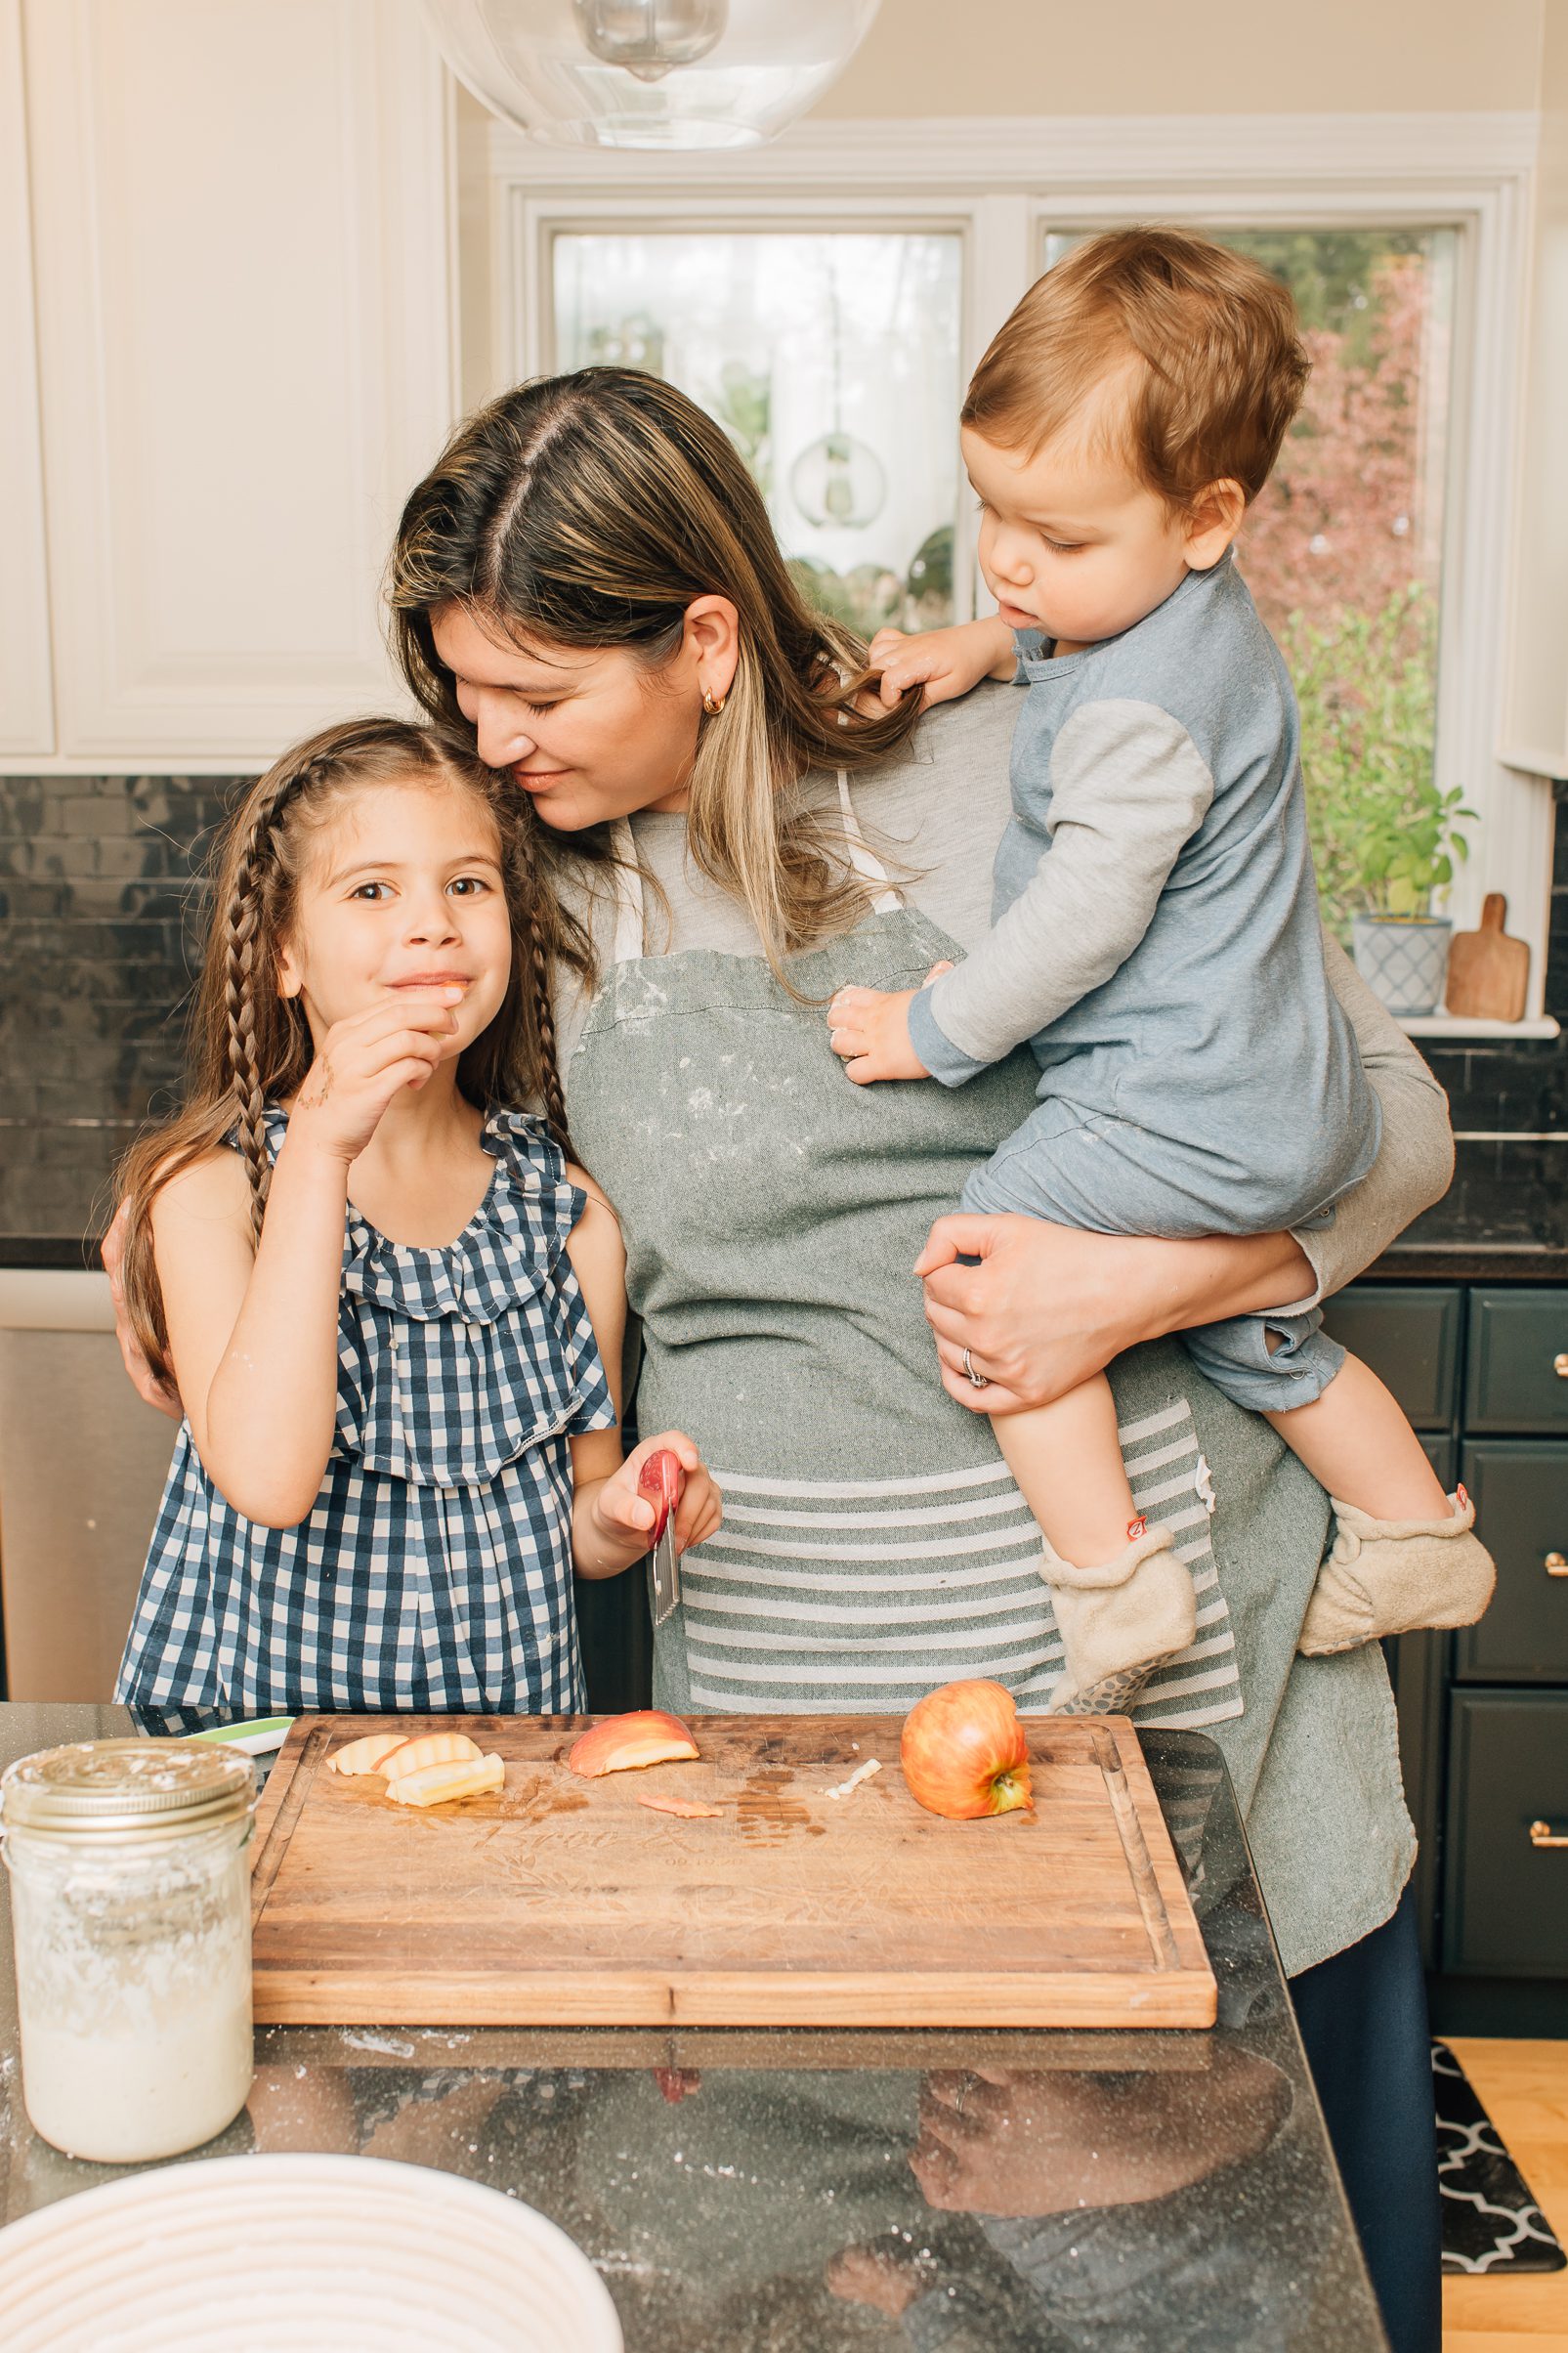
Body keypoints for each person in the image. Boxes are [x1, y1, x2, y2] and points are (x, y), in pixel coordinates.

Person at [107, 367, 1444, 2350]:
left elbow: (1391, 1126)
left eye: (540, 694)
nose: (492, 744)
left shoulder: (1020, 767)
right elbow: (365, 1074)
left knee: (1200, 2289)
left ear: (706, 640)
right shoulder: (532, 880)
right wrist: (182, 1209)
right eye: (464, 691)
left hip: (1148, 1698)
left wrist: (1135, 1291)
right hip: (781, 1770)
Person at [826, 228, 1492, 1714]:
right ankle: (1412, 1534)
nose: (1009, 560)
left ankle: (1112, 1581)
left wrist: (931, 1026)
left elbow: (1077, 926)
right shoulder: (1199, 622)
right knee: (1258, 1331)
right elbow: (1089, 635)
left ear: (1206, 517)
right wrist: (988, 643)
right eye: (991, 511)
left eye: (1055, 539)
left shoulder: (1138, 723)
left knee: (989, 1253)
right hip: (1293, 1102)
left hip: (1178, 1103)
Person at [111, 716, 719, 1715]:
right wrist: (317, 1148)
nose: (433, 921)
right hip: (273, 1773)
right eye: (372, 889)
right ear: (282, 956)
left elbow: (578, 1522)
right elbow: (269, 1477)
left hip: (502, 1772)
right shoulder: (214, 1195)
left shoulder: (566, 1218)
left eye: (468, 884)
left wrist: (627, 1511)